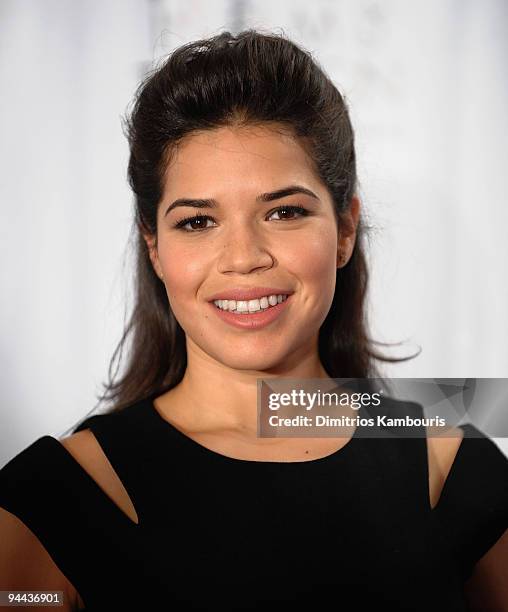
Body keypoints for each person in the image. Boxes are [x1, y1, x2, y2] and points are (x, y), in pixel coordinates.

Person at [0, 29, 507, 612]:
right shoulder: (58, 498)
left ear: (345, 229)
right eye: (197, 222)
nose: (243, 258)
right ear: (154, 247)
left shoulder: (449, 465)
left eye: (284, 212)